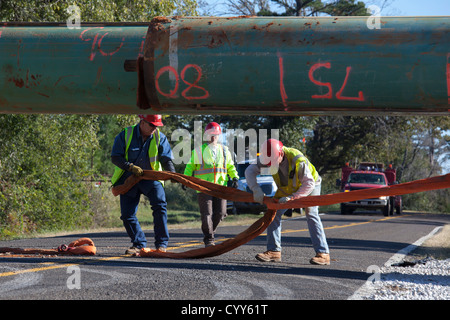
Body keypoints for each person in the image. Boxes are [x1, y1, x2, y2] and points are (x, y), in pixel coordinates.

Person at [245, 139, 330, 265]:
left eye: (273, 162)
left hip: (310, 186)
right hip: (286, 189)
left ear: (280, 154)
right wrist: (256, 189)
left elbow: (309, 183)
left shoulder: (297, 159)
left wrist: (294, 197)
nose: (270, 165)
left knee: (311, 214)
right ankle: (274, 251)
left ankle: (323, 254)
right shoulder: (268, 157)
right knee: (273, 214)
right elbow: (249, 171)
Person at [111, 114, 175, 255]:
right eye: (152, 125)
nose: (154, 128)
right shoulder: (125, 135)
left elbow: (166, 159)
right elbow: (115, 157)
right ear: (142, 122)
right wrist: (130, 167)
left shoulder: (159, 137)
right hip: (128, 178)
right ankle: (138, 244)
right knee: (127, 215)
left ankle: (161, 244)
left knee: (160, 206)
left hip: (151, 178)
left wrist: (172, 173)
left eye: (157, 126)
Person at [184, 122, 239, 247]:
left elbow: (230, 166)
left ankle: (210, 232)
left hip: (220, 187)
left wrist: (235, 177)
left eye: (215, 134)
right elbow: (190, 167)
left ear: (219, 135)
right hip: (204, 187)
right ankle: (209, 239)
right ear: (206, 135)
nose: (213, 137)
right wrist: (185, 180)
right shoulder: (198, 151)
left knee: (221, 213)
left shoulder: (225, 151)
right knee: (207, 213)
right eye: (211, 134)